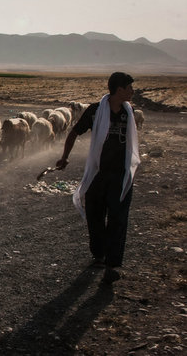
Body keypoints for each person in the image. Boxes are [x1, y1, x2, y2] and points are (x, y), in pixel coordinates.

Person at [56, 72, 140, 284]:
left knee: (118, 219)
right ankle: (99, 254)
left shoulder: (129, 113)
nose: (132, 91)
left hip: (121, 175)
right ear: (119, 89)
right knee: (94, 215)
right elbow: (75, 132)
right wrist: (64, 157)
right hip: (98, 173)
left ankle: (112, 265)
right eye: (129, 87)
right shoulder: (95, 111)